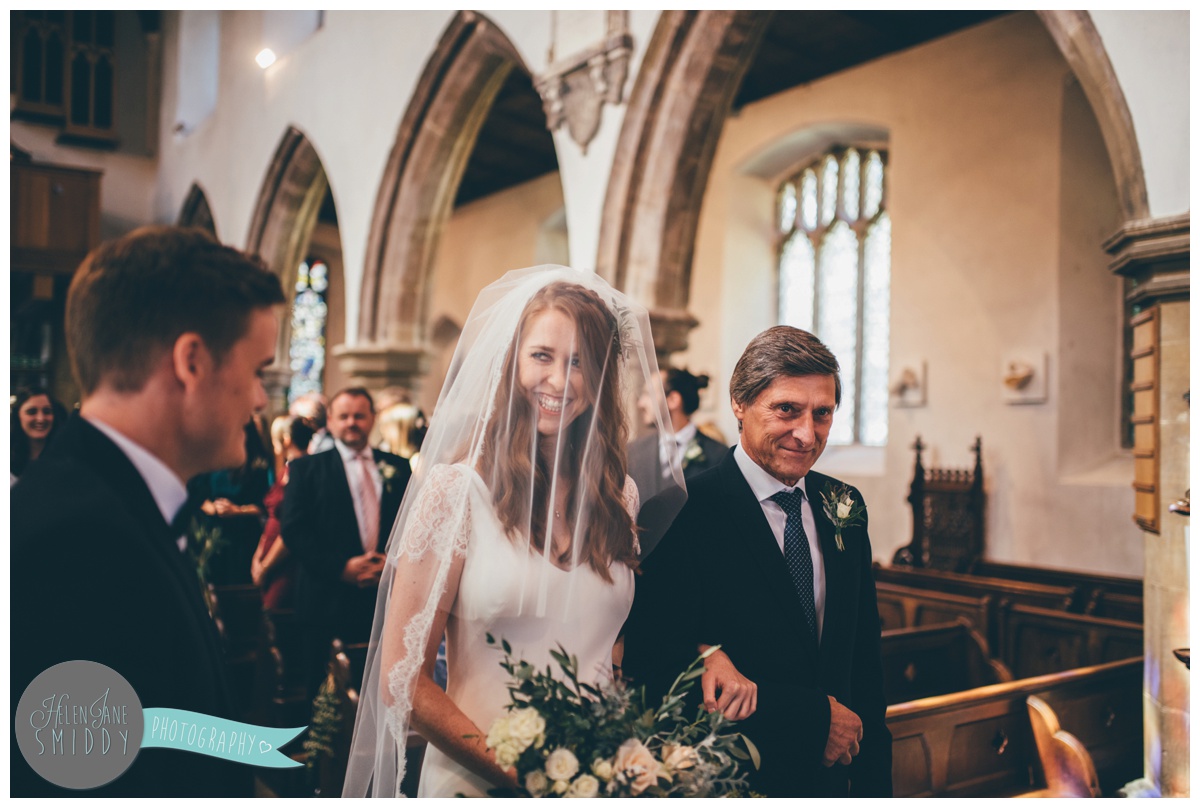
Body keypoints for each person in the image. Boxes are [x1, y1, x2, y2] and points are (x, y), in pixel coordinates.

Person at [342, 267, 685, 797]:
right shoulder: (456, 493)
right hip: (477, 783)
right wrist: (525, 776)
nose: (559, 379)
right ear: (511, 361)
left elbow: (606, 642)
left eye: (579, 362)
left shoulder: (620, 498)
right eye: (542, 356)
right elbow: (401, 678)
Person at [10, 226, 285, 796]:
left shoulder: (109, 499)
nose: (262, 400)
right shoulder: (74, 541)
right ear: (192, 362)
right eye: (259, 370)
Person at [623, 326, 892, 797]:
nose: (807, 434)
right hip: (732, 781)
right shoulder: (682, 511)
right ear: (739, 403)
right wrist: (810, 720)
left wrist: (874, 789)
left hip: (832, 784)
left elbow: (864, 662)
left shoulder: (844, 504)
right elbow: (654, 669)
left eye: (822, 414)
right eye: (787, 409)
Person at [281, 387, 412, 700]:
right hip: (325, 597)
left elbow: (414, 524)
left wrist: (390, 564)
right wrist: (342, 568)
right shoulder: (306, 469)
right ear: (331, 420)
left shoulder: (398, 466)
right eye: (344, 416)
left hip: (381, 599)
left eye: (359, 415)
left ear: (372, 419)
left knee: (378, 693)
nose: (352, 422)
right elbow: (294, 529)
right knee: (321, 694)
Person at [628, 367, 729, 502]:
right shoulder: (632, 451)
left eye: (648, 394)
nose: (641, 404)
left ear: (673, 400)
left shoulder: (720, 456)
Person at [251, 415, 315, 611]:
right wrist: (258, 556)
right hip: (269, 553)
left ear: (286, 440)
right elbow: (272, 518)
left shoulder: (302, 472)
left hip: (285, 561)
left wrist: (266, 566)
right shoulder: (286, 470)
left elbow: (292, 527)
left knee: (275, 614)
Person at [10, 386, 69, 484]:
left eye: (47, 411)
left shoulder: (67, 458)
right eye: (32, 412)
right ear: (17, 416)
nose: (41, 419)